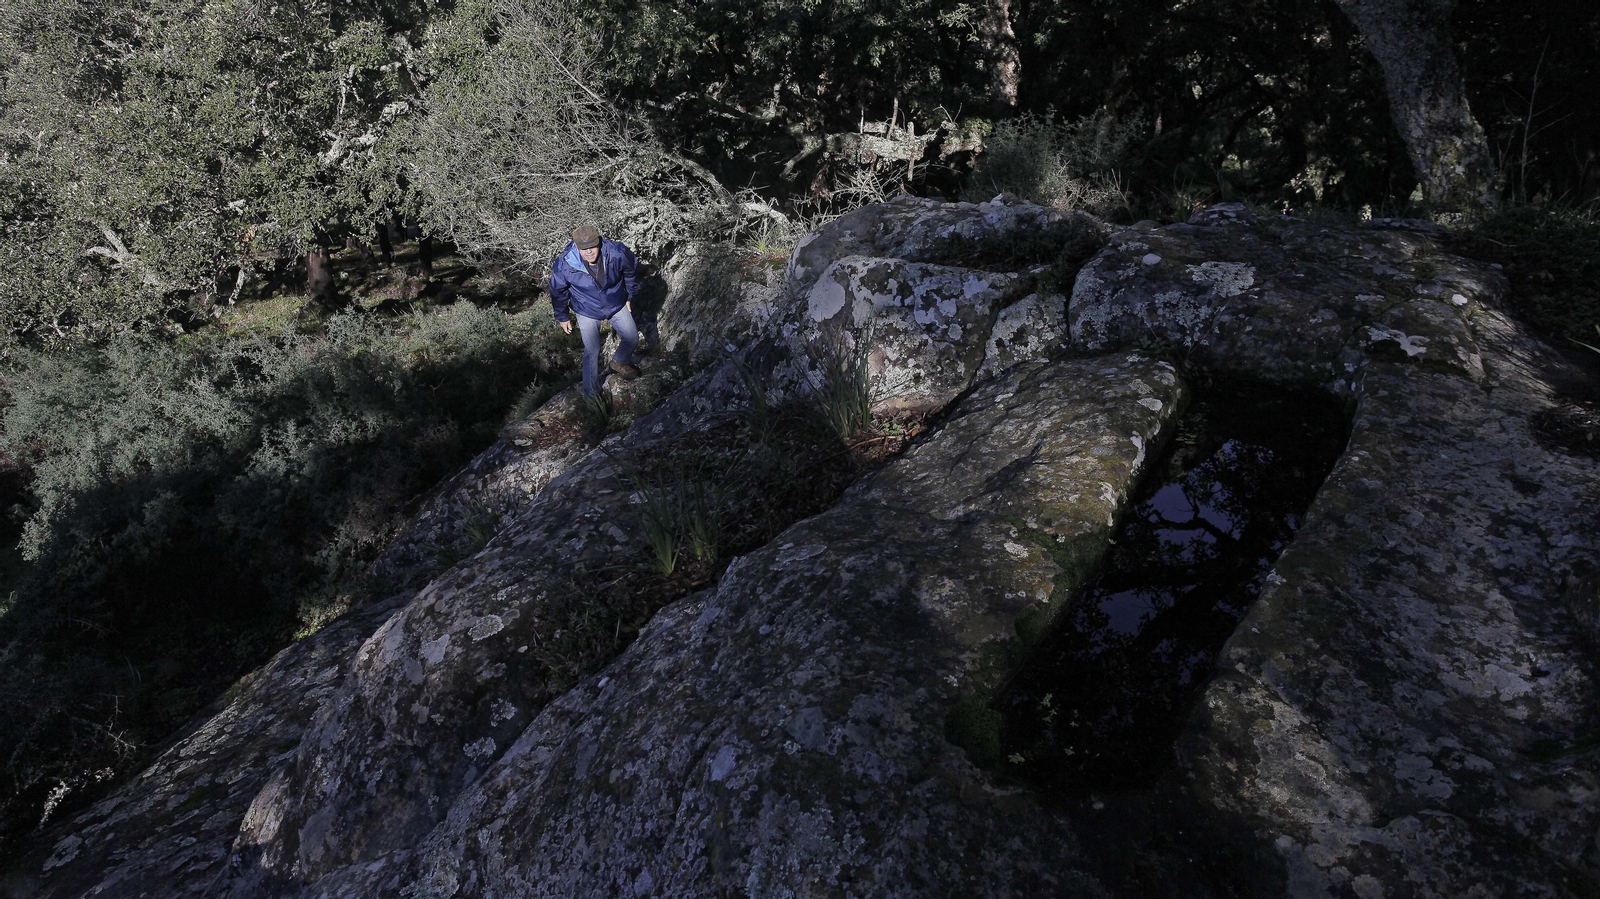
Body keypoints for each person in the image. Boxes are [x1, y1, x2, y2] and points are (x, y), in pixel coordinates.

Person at [549, 225, 643, 396]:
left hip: (615, 302)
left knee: (632, 338)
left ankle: (619, 361)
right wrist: (563, 316)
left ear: (599, 242)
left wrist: (629, 296)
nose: (589, 252)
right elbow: (557, 292)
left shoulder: (616, 252)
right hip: (586, 308)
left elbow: (631, 272)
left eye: (592, 247)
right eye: (584, 249)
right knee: (592, 350)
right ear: (577, 247)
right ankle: (592, 395)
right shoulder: (565, 264)